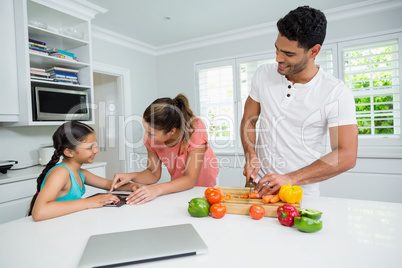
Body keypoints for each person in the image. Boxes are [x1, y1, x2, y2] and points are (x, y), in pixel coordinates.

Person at [240, 6, 358, 197]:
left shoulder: (336, 93)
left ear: (314, 51)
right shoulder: (263, 74)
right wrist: (250, 154)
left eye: (288, 53)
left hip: (300, 194)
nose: (278, 58)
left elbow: (346, 155)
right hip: (259, 187)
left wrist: (290, 178)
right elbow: (249, 119)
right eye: (277, 49)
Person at [110, 94, 219, 205]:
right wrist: (131, 176)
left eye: (151, 133)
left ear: (171, 131)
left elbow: (190, 179)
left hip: (203, 181)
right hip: (180, 181)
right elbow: (153, 173)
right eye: (146, 130)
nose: (147, 136)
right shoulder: (151, 137)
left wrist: (157, 190)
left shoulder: (195, 128)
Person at [28, 121, 138, 221]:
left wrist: (133, 187)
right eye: (90, 147)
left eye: (95, 145)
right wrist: (89, 202)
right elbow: (39, 212)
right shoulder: (60, 173)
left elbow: (110, 185)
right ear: (69, 152)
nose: (96, 150)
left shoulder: (80, 173)